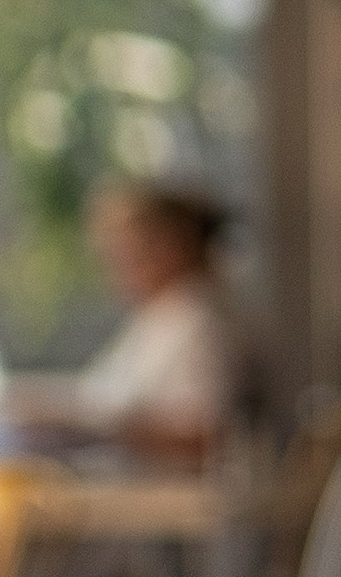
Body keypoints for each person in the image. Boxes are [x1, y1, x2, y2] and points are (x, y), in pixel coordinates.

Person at [47, 183, 254, 463]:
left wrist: (96, 430)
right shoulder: (161, 317)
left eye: (126, 252)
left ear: (170, 247)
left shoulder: (198, 323)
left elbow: (204, 435)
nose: (113, 267)